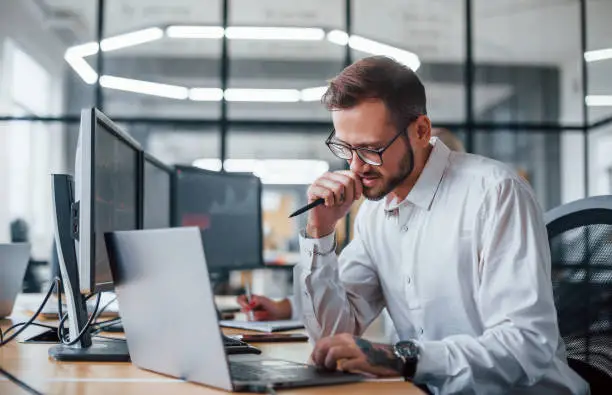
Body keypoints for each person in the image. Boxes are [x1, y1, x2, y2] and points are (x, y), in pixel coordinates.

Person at [240, 56, 587, 394]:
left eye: (371, 149)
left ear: (420, 131)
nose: (356, 167)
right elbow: (332, 334)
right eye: (346, 148)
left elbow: (526, 347)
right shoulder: (376, 214)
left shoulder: (494, 193)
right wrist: (321, 233)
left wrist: (405, 359)